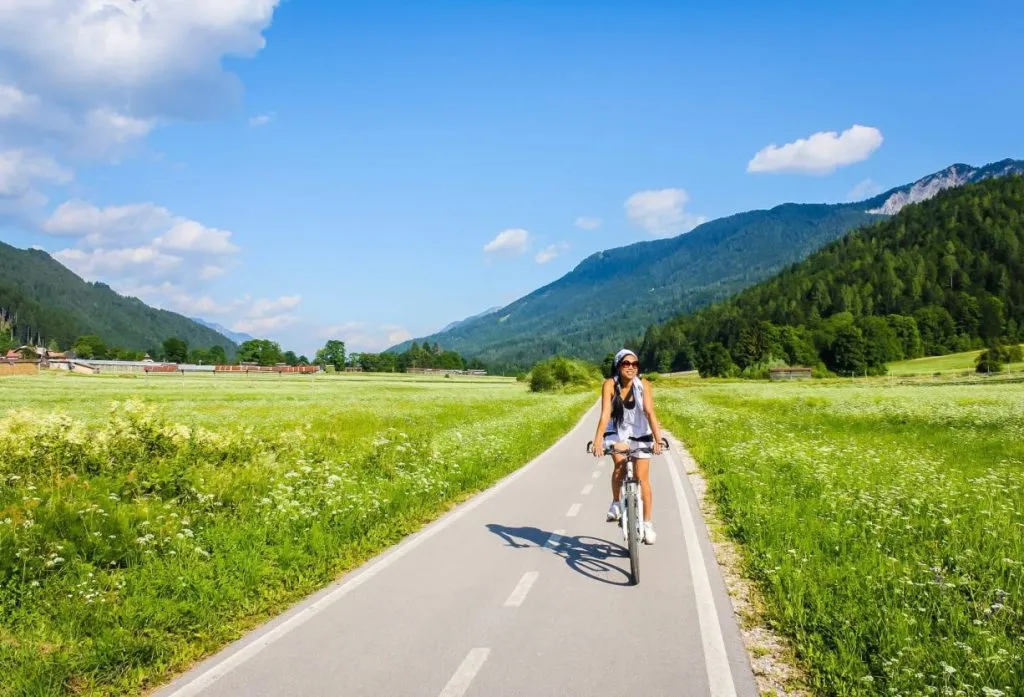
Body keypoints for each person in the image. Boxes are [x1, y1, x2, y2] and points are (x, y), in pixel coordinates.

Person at [592, 348, 664, 544]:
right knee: (620, 465)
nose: (631, 367)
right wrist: (598, 440)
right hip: (616, 429)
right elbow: (606, 413)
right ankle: (616, 502)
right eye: (626, 364)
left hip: (640, 430)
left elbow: (649, 412)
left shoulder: (644, 385)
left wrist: (658, 440)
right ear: (618, 366)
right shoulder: (609, 385)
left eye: (634, 364)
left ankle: (647, 524)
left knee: (642, 478)